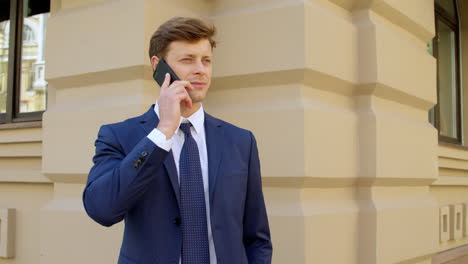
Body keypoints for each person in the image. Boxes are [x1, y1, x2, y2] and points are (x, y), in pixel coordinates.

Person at [83, 17, 272, 264]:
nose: (200, 70)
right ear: (158, 66)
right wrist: (163, 132)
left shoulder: (240, 141)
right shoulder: (119, 136)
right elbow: (102, 209)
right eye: (187, 60)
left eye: (206, 61)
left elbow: (256, 236)